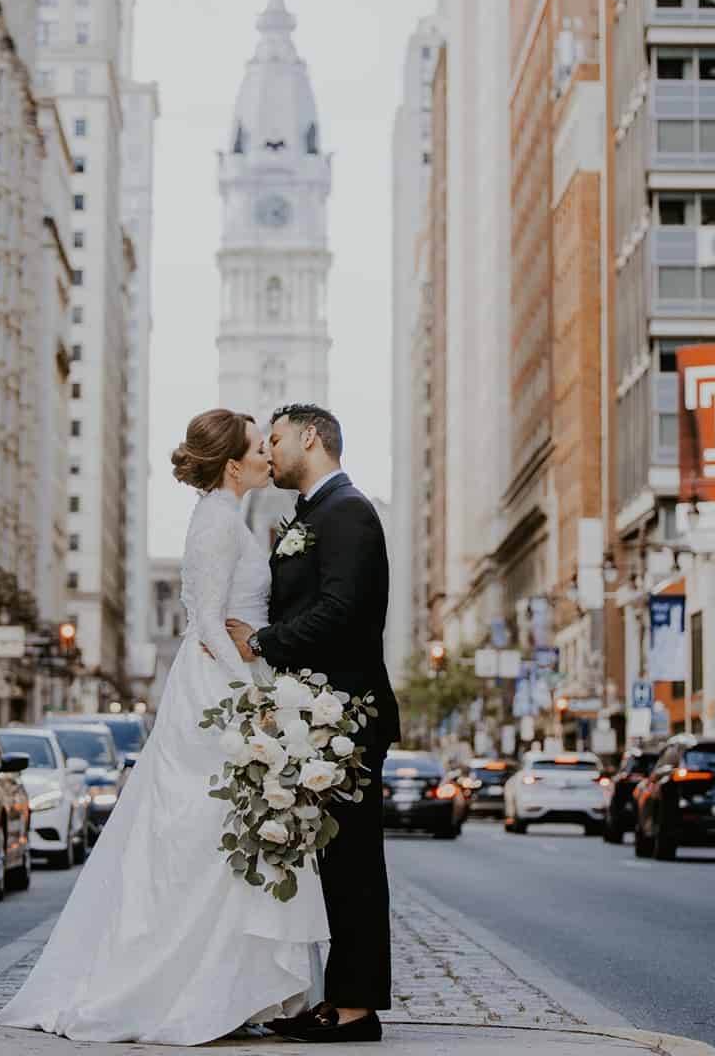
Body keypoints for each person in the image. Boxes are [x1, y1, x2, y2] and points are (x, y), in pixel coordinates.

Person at [0, 409, 329, 1044]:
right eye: (260, 448)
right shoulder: (216, 522)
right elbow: (207, 622)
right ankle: (187, 985)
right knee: (209, 836)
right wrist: (248, 700)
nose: (269, 456)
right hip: (216, 692)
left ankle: (237, 988)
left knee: (229, 836)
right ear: (234, 465)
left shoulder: (231, 517)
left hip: (231, 680)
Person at [228, 402, 399, 1043]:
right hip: (317, 716)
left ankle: (356, 1009)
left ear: (310, 437)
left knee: (353, 864)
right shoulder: (311, 514)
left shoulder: (349, 511)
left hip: (348, 715)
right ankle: (338, 997)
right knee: (329, 863)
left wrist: (265, 643)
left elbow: (342, 610)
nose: (268, 452)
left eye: (275, 439)